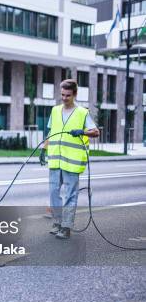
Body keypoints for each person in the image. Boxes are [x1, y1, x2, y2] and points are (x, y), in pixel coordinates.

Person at [39, 79, 99, 239]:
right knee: (53, 192)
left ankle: (66, 227)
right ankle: (57, 222)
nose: (64, 98)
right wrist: (44, 148)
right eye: (62, 95)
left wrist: (82, 131)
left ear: (75, 94)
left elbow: (96, 132)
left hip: (72, 161)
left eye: (68, 95)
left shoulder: (82, 112)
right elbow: (51, 132)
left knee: (70, 194)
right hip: (55, 159)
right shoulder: (55, 110)